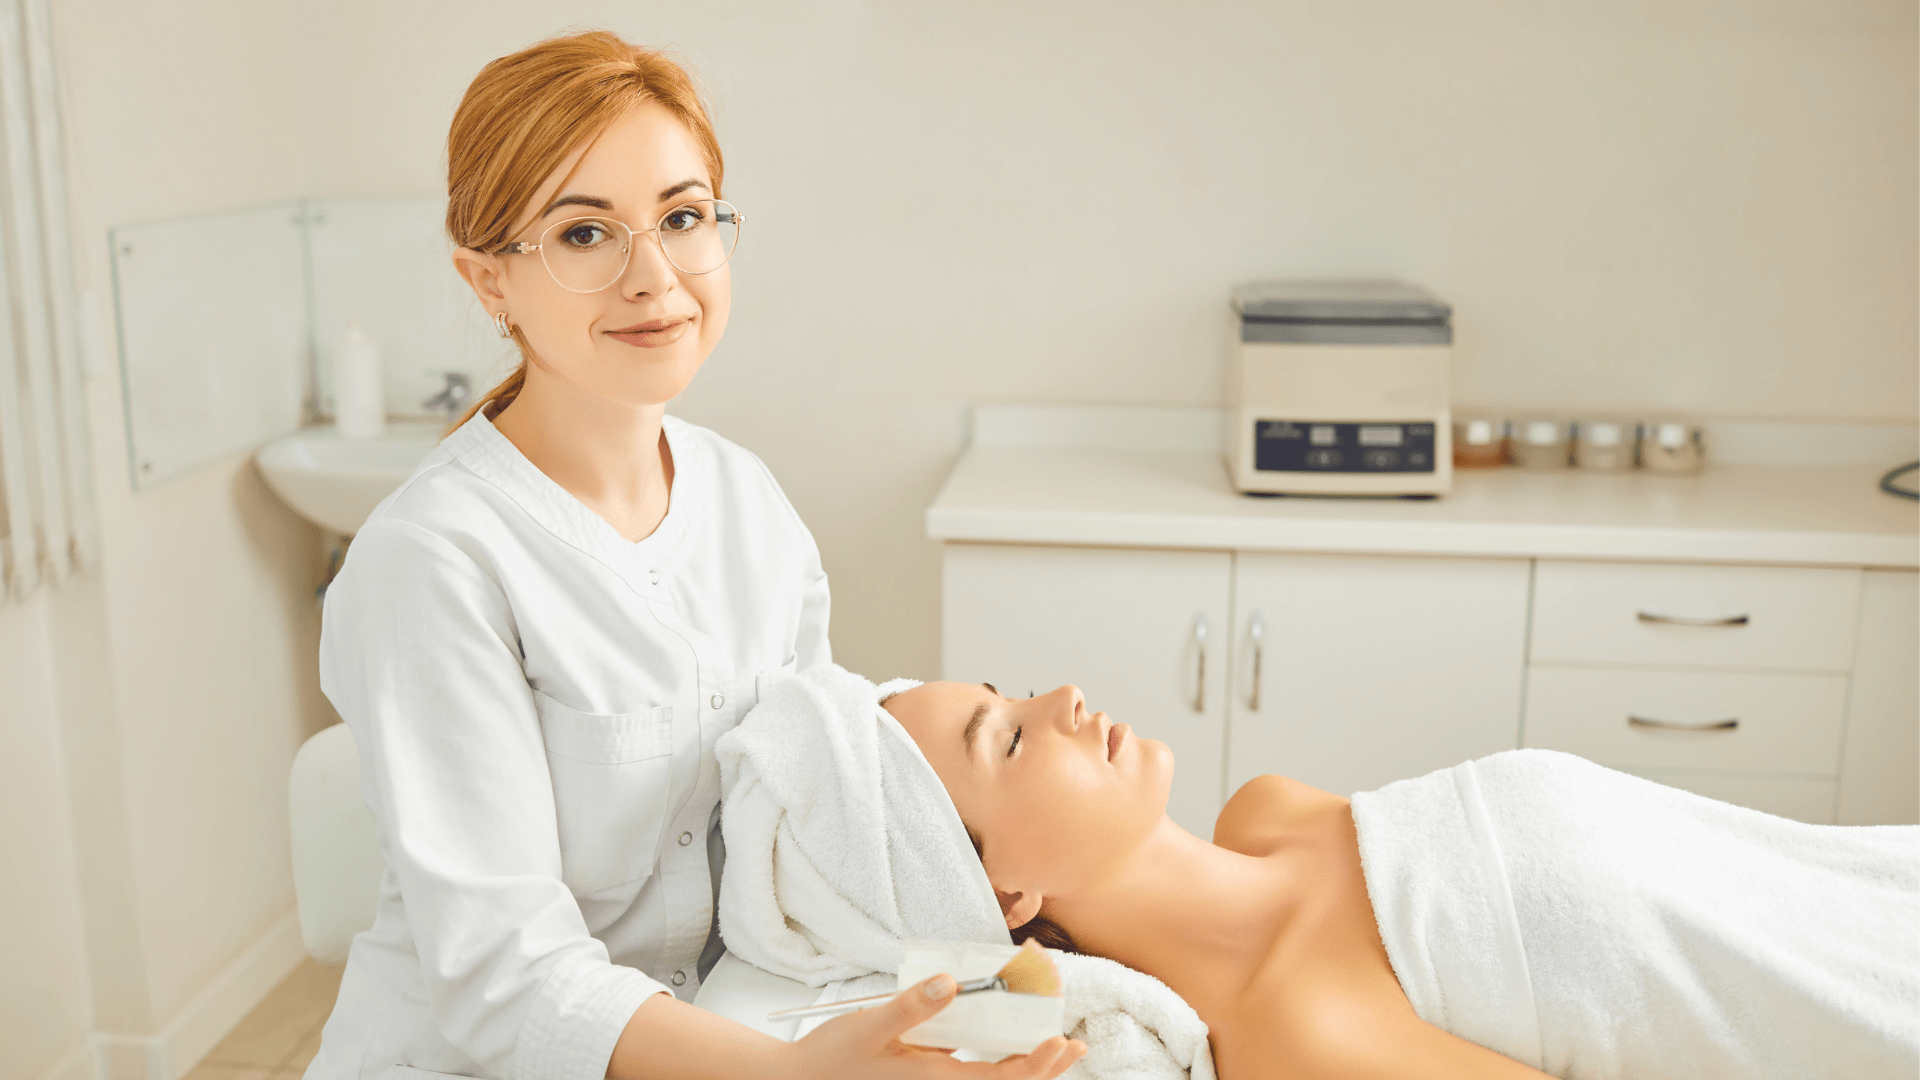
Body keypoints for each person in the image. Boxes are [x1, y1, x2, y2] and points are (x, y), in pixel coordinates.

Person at [311, 31, 1084, 1080]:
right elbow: (507, 979)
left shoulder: (746, 502)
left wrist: (974, 854)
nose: (654, 276)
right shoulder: (432, 563)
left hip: (736, 1031)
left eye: (682, 218)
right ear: (489, 281)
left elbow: (812, 787)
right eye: (585, 234)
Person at [878, 680, 1920, 1080]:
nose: (1060, 696)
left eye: (1008, 690)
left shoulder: (1269, 808)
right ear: (1005, 896)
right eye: (1006, 739)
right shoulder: (1298, 1035)